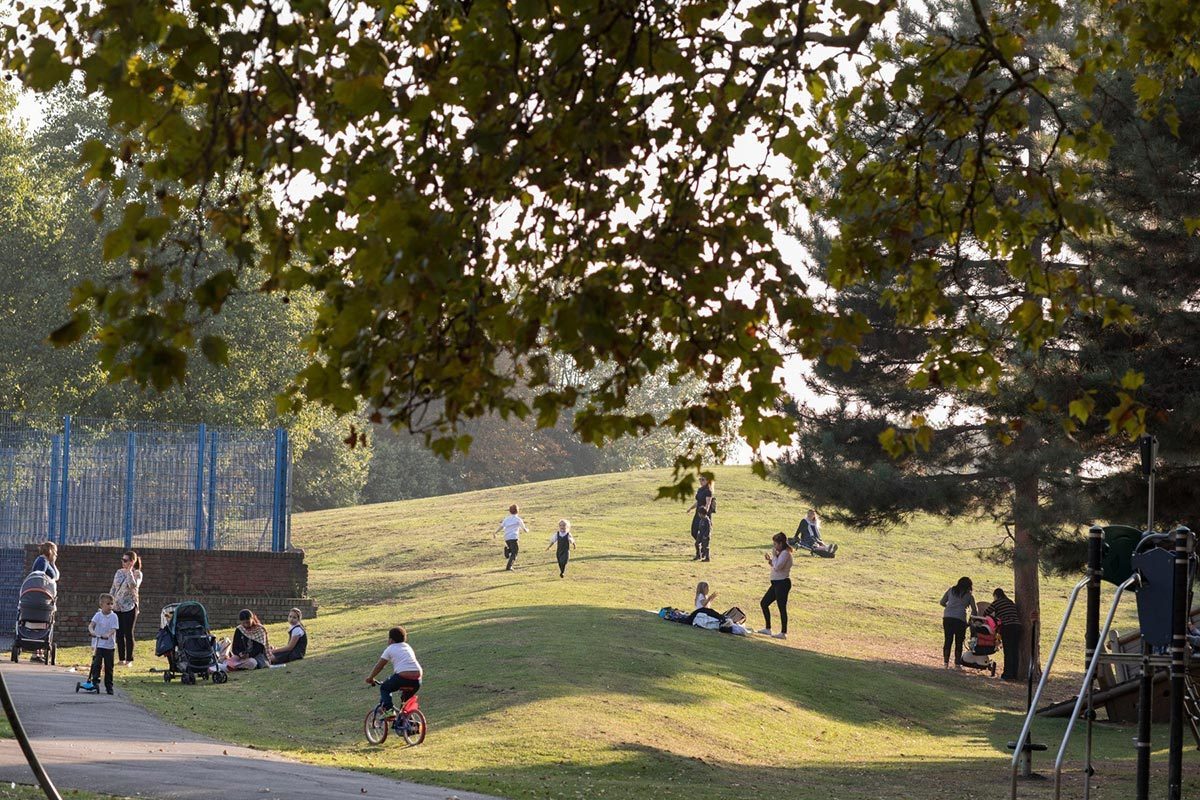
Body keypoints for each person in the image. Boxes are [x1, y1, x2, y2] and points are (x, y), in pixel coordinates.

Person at [364, 626, 423, 721]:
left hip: (403, 676)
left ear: (391, 640)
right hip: (417, 679)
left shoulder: (390, 648)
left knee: (385, 688)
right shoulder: (407, 646)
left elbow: (380, 666)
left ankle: (389, 711)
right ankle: (409, 722)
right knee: (405, 702)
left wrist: (370, 678)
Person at [757, 532, 793, 640]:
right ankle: (768, 628)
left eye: (776, 544)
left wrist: (774, 556)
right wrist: (770, 560)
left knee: (781, 607)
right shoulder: (780, 554)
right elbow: (775, 565)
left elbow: (778, 567)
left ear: (781, 543)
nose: (775, 546)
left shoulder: (785, 554)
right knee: (764, 603)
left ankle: (783, 632)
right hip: (776, 583)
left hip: (782, 583)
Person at [110, 550, 143, 667]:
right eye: (122, 560)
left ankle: (129, 659)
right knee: (119, 633)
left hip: (129, 606)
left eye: (125, 560)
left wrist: (129, 572)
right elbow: (114, 587)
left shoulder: (137, 573)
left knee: (128, 633)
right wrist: (110, 601)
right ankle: (121, 658)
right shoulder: (118, 572)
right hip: (117, 606)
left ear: (132, 562)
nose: (123, 562)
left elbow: (133, 585)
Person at [83, 594, 119, 695]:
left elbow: (114, 629)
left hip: (109, 646)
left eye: (112, 604)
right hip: (98, 645)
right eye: (108, 604)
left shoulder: (114, 616)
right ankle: (95, 682)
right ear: (101, 604)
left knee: (109, 666)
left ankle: (109, 686)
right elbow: (91, 625)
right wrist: (92, 631)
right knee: (96, 664)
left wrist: (108, 634)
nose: (110, 606)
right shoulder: (98, 615)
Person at [940, 576, 977, 669]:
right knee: (959, 641)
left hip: (948, 618)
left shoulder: (951, 590)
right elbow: (974, 611)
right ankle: (957, 663)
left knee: (948, 639)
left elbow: (942, 602)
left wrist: (949, 607)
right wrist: (969, 621)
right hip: (960, 619)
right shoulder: (969, 596)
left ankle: (945, 662)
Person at [988, 588, 1022, 679]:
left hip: (1007, 627)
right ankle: (1015, 674)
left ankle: (1007, 674)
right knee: (1015, 651)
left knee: (1008, 651)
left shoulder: (997, 602)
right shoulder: (1010, 602)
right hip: (1017, 626)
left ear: (996, 595)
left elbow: (986, 612)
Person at [684, 476, 715, 561]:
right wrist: (691, 508)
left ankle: (702, 552)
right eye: (700, 479)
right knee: (694, 531)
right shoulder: (700, 490)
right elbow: (698, 502)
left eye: (703, 480)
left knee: (704, 532)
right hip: (697, 513)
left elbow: (708, 504)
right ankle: (702, 547)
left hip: (704, 515)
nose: (701, 481)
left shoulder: (708, 491)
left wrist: (705, 515)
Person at [494, 504, 529, 570]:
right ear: (517, 511)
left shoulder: (506, 519)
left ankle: (507, 550)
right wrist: (527, 530)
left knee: (512, 549)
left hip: (506, 537)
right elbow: (524, 528)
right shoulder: (518, 519)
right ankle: (509, 566)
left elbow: (501, 526)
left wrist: (495, 532)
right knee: (515, 552)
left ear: (510, 511)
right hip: (513, 537)